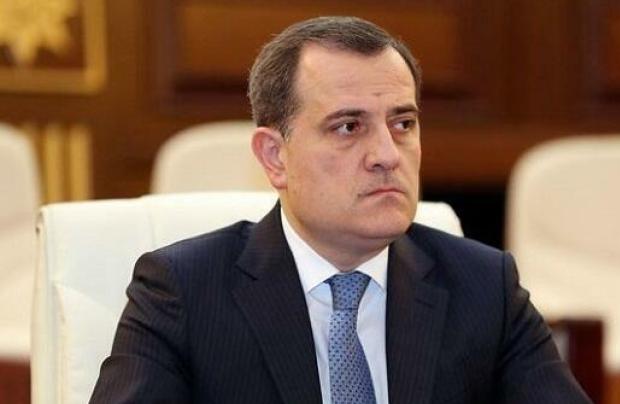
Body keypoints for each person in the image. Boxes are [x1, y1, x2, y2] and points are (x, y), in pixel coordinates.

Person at [91, 16, 592, 403]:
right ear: (275, 156)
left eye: (403, 124)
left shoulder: (484, 288)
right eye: (349, 127)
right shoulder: (184, 291)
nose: (387, 155)